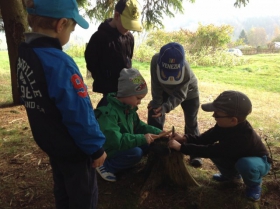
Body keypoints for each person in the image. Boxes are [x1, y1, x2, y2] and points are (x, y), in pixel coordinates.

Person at [17, 0, 107, 208]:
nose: (71, 33)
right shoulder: (60, 63)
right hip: (74, 148)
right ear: (61, 25)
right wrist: (95, 148)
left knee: (63, 190)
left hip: (51, 142)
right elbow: (79, 113)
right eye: (72, 28)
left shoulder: (26, 53)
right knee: (82, 196)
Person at [168, 90, 271, 201]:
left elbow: (210, 150)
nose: (214, 115)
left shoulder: (243, 138)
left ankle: (254, 185)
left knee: (245, 164)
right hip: (235, 156)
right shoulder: (224, 126)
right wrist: (185, 139)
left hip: (259, 162)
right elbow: (205, 139)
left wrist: (181, 148)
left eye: (217, 114)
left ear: (233, 120)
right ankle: (231, 176)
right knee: (223, 155)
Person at [94, 68, 163, 182]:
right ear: (126, 93)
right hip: (108, 149)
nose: (139, 102)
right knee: (136, 152)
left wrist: (158, 132)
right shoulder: (109, 112)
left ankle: (122, 163)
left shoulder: (128, 108)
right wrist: (142, 138)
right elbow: (116, 141)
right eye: (138, 98)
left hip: (121, 144)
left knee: (147, 144)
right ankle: (105, 166)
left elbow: (139, 126)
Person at [147, 42, 202, 167]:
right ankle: (155, 146)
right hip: (164, 89)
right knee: (154, 110)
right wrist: (157, 104)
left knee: (191, 122)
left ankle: (195, 154)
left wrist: (166, 107)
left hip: (189, 93)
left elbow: (180, 95)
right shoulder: (155, 60)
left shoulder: (186, 70)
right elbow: (155, 84)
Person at [85, 0, 142, 108]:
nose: (128, 29)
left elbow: (128, 59)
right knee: (109, 115)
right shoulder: (99, 38)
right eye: (126, 24)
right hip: (109, 90)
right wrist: (105, 77)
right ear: (116, 16)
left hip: (126, 90)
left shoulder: (129, 37)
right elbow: (91, 63)